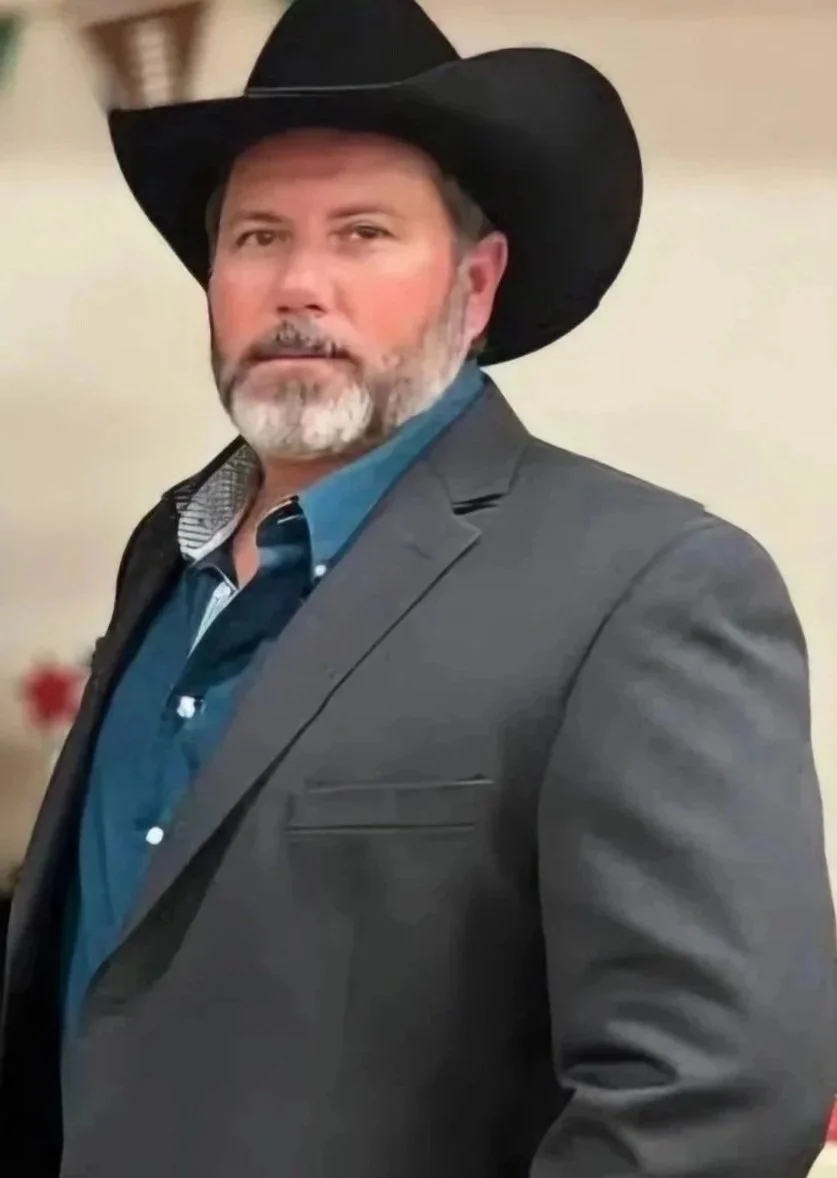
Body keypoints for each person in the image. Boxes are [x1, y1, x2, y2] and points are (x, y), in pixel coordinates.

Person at [1, 0, 834, 1175]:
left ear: (476, 284)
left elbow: (716, 1096)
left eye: (363, 233)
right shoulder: (166, 557)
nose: (299, 284)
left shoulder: (647, 587)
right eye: (258, 236)